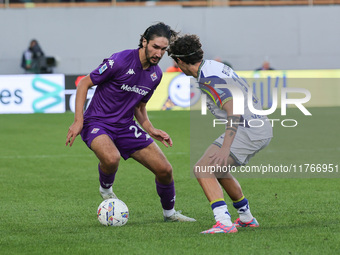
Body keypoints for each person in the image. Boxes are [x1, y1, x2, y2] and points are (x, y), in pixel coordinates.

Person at [65, 22, 195, 223]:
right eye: (155, 47)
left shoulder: (155, 75)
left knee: (165, 170)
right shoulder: (120, 60)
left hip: (125, 126)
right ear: (144, 41)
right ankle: (106, 189)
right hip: (97, 122)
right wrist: (78, 120)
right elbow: (84, 83)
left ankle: (170, 214)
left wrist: (151, 129)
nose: (159, 54)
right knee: (111, 158)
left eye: (163, 49)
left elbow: (139, 107)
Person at [169, 34, 273, 233]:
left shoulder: (209, 78)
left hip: (248, 128)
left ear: (180, 61)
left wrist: (225, 148)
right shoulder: (211, 67)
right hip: (257, 126)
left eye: (176, 62)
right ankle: (246, 217)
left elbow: (233, 109)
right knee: (217, 168)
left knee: (203, 169)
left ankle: (223, 222)